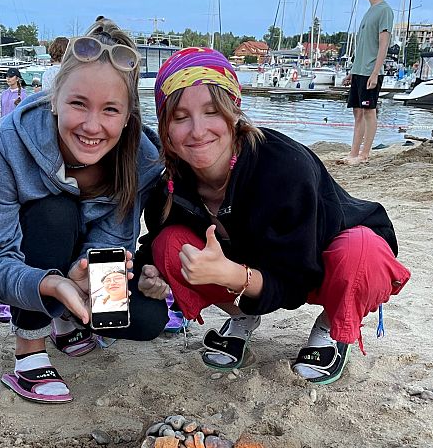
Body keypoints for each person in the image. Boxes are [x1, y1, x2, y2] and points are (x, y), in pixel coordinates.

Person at [134, 47, 411, 385]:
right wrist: (150, 275)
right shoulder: (169, 185)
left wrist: (232, 274)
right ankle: (241, 318)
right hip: (255, 268)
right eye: (180, 117)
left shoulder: (284, 165)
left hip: (320, 264)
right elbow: (152, 246)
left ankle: (330, 328)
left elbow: (295, 283)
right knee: (167, 245)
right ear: (165, 128)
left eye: (212, 111)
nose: (197, 130)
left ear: (234, 113)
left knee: (362, 251)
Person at [0, 18, 167, 404]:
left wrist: (88, 281)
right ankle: (30, 349)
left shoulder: (142, 159)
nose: (92, 126)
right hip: (26, 258)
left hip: (80, 265)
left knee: (147, 320)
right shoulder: (1, 147)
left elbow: (115, 241)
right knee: (54, 213)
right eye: (78, 104)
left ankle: (64, 320)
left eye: (110, 110)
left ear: (128, 115)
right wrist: (54, 284)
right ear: (54, 99)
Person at [342, 0, 394, 166]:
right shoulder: (369, 12)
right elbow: (363, 46)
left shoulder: (384, 10)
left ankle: (364, 155)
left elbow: (383, 44)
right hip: (359, 71)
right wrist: (352, 72)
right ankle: (353, 153)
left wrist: (374, 72)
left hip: (371, 71)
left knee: (369, 112)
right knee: (357, 113)